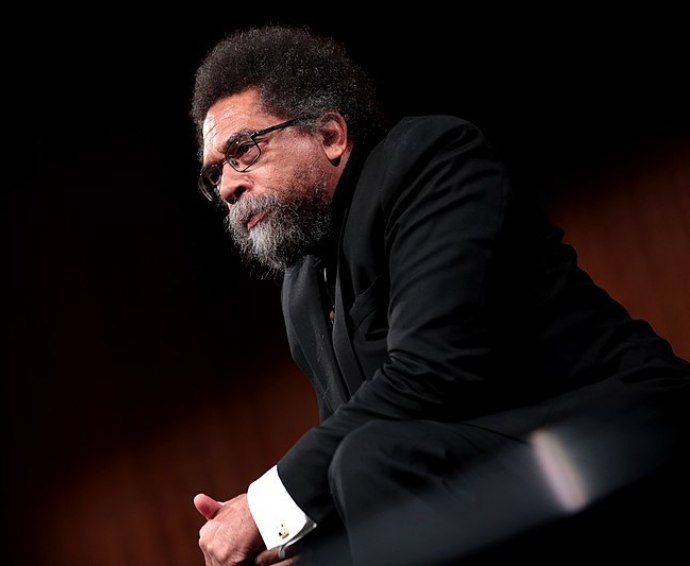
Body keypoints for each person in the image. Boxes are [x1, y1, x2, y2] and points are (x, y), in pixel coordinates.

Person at [190, 26, 689, 565]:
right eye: (215, 173)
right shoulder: (301, 288)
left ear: (331, 135)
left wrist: (263, 508)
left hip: (626, 439)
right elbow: (361, 449)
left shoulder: (428, 162)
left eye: (243, 150)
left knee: (370, 459)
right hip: (504, 475)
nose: (227, 187)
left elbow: (430, 371)